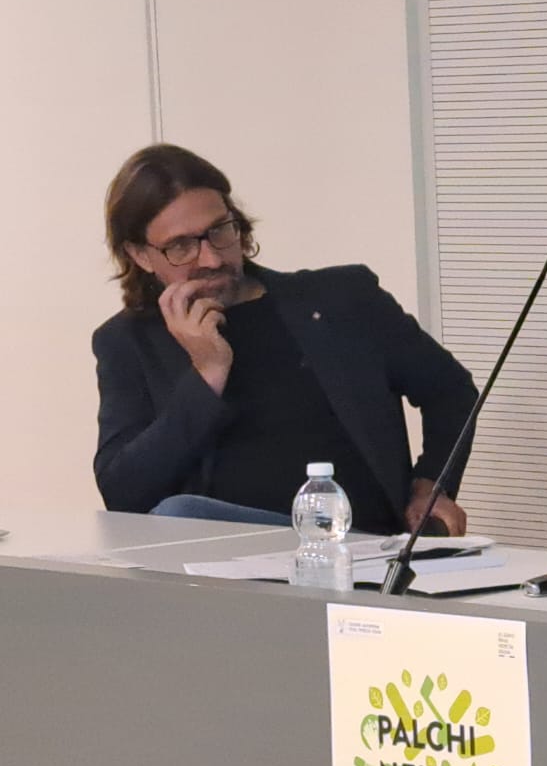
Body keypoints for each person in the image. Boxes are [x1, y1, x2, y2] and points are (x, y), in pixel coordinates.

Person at [93, 144, 478, 535]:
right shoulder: (127, 342)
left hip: (356, 545)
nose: (211, 258)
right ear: (140, 255)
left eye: (220, 230)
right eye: (181, 246)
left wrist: (432, 484)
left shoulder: (342, 300)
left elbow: (450, 390)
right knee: (178, 513)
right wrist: (206, 374)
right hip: (218, 557)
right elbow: (124, 494)